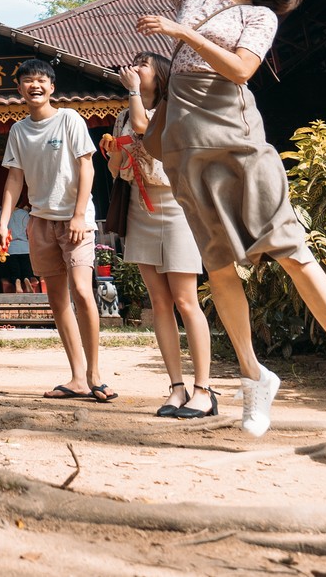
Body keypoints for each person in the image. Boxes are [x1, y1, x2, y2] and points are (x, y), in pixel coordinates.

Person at [65, 0, 326, 438]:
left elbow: (240, 72)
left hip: (238, 146)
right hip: (187, 155)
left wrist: (183, 32)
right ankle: (252, 375)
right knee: (219, 268)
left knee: (291, 254)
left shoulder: (258, 17)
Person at [104, 50, 216, 418]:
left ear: (161, 73)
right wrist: (115, 155)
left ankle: (204, 389)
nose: (134, 68)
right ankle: (176, 388)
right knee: (159, 303)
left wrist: (133, 93)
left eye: (143, 64)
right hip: (139, 207)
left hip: (177, 206)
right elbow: (117, 167)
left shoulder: (172, 107)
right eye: (132, 62)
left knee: (186, 300)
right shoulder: (122, 114)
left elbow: (144, 129)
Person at [0, 58, 111, 402]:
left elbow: (86, 166)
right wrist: (3, 221)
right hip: (40, 221)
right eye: (28, 81)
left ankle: (95, 374)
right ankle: (77, 377)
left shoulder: (69, 119)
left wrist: (79, 215)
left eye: (41, 80)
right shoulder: (18, 130)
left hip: (75, 220)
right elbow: (14, 178)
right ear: (19, 89)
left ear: (51, 87)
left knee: (82, 289)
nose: (35, 85)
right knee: (57, 297)